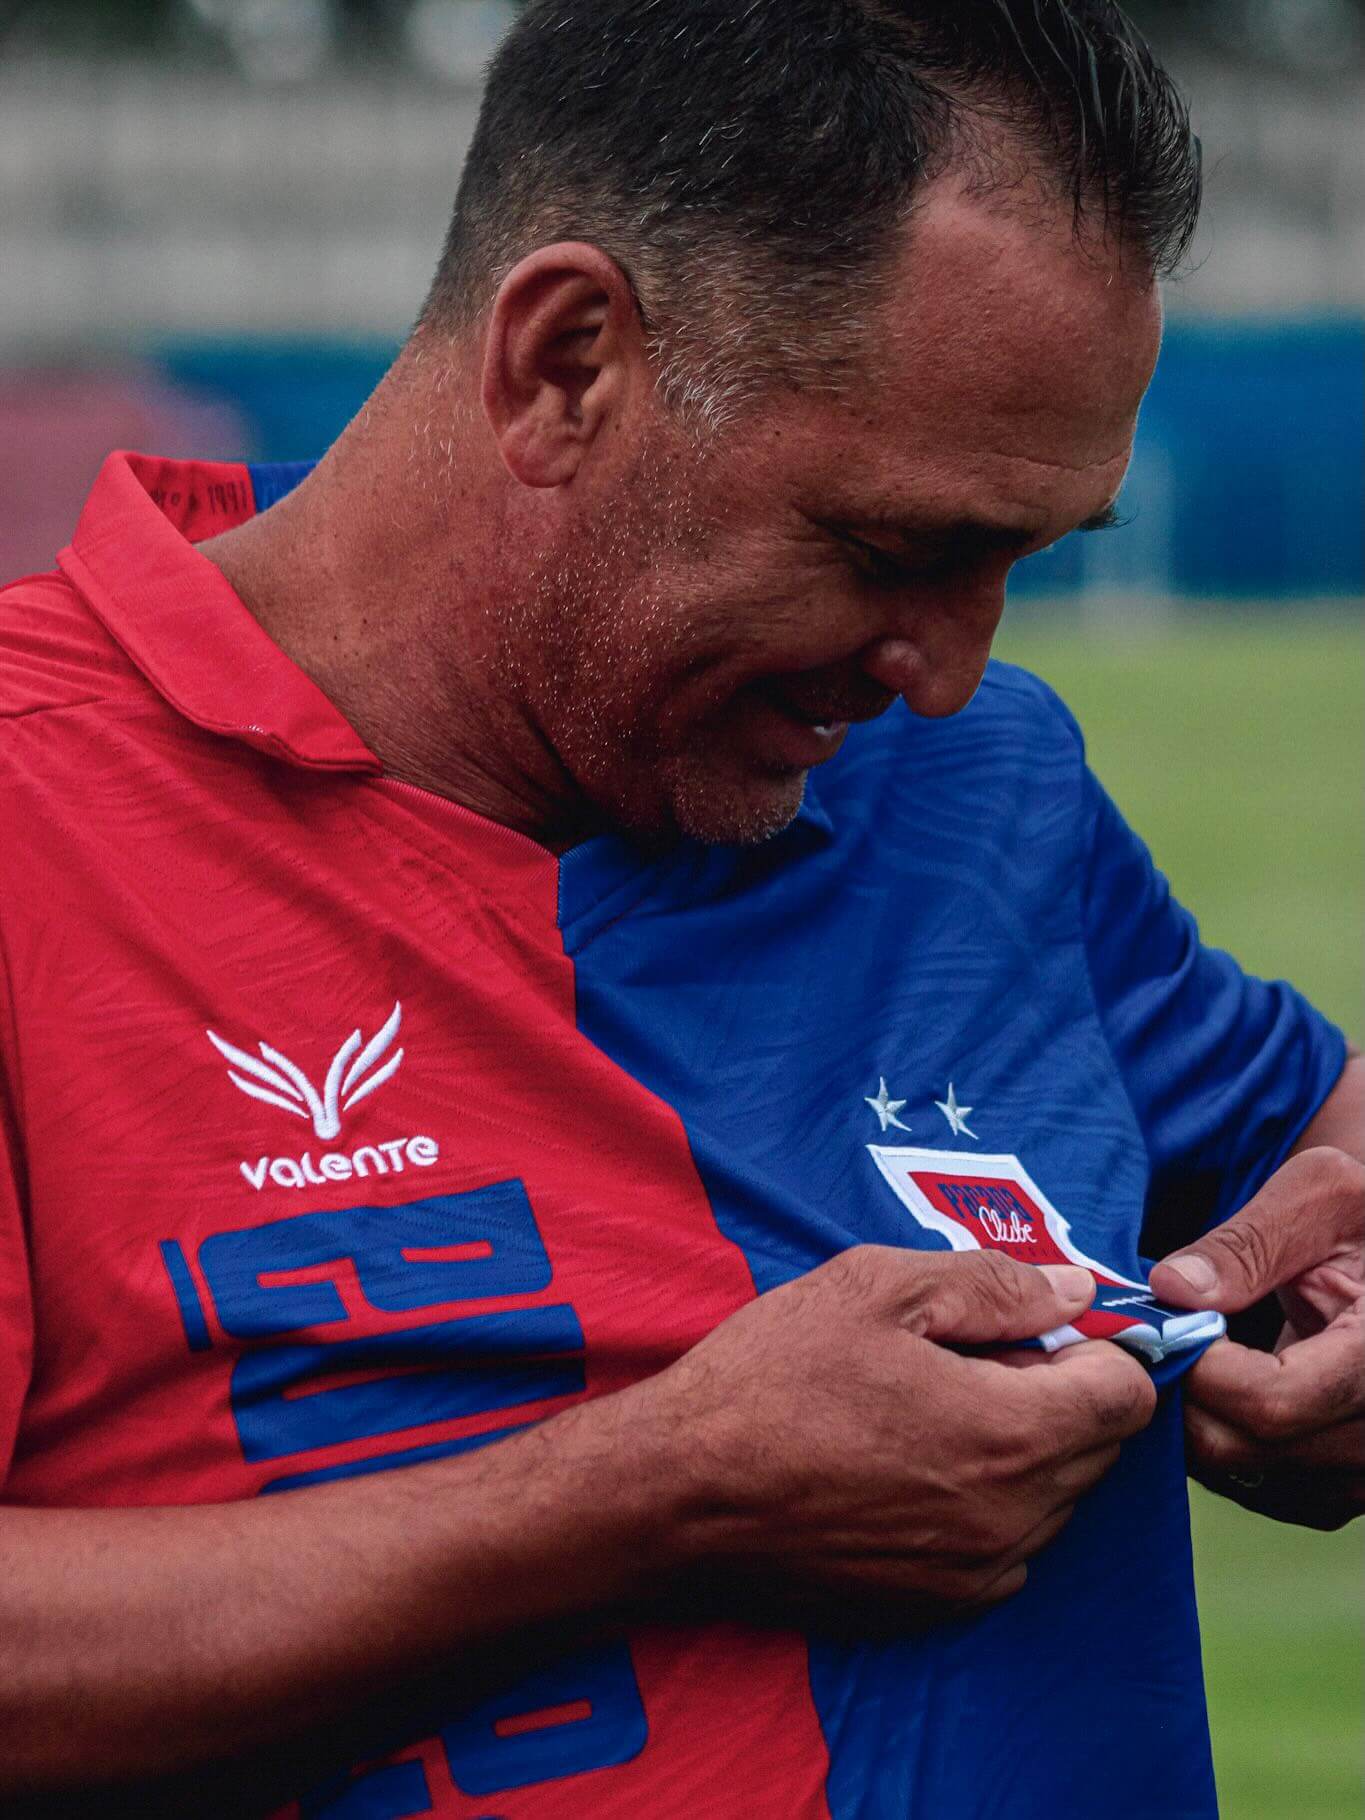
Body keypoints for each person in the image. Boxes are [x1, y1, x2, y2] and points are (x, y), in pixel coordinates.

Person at [1, 2, 1360, 1815]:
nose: (950, 672)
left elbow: (1312, 1136)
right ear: (564, 362)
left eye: (1021, 564)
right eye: (895, 549)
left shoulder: (980, 792)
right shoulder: (38, 816)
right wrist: (649, 1492)